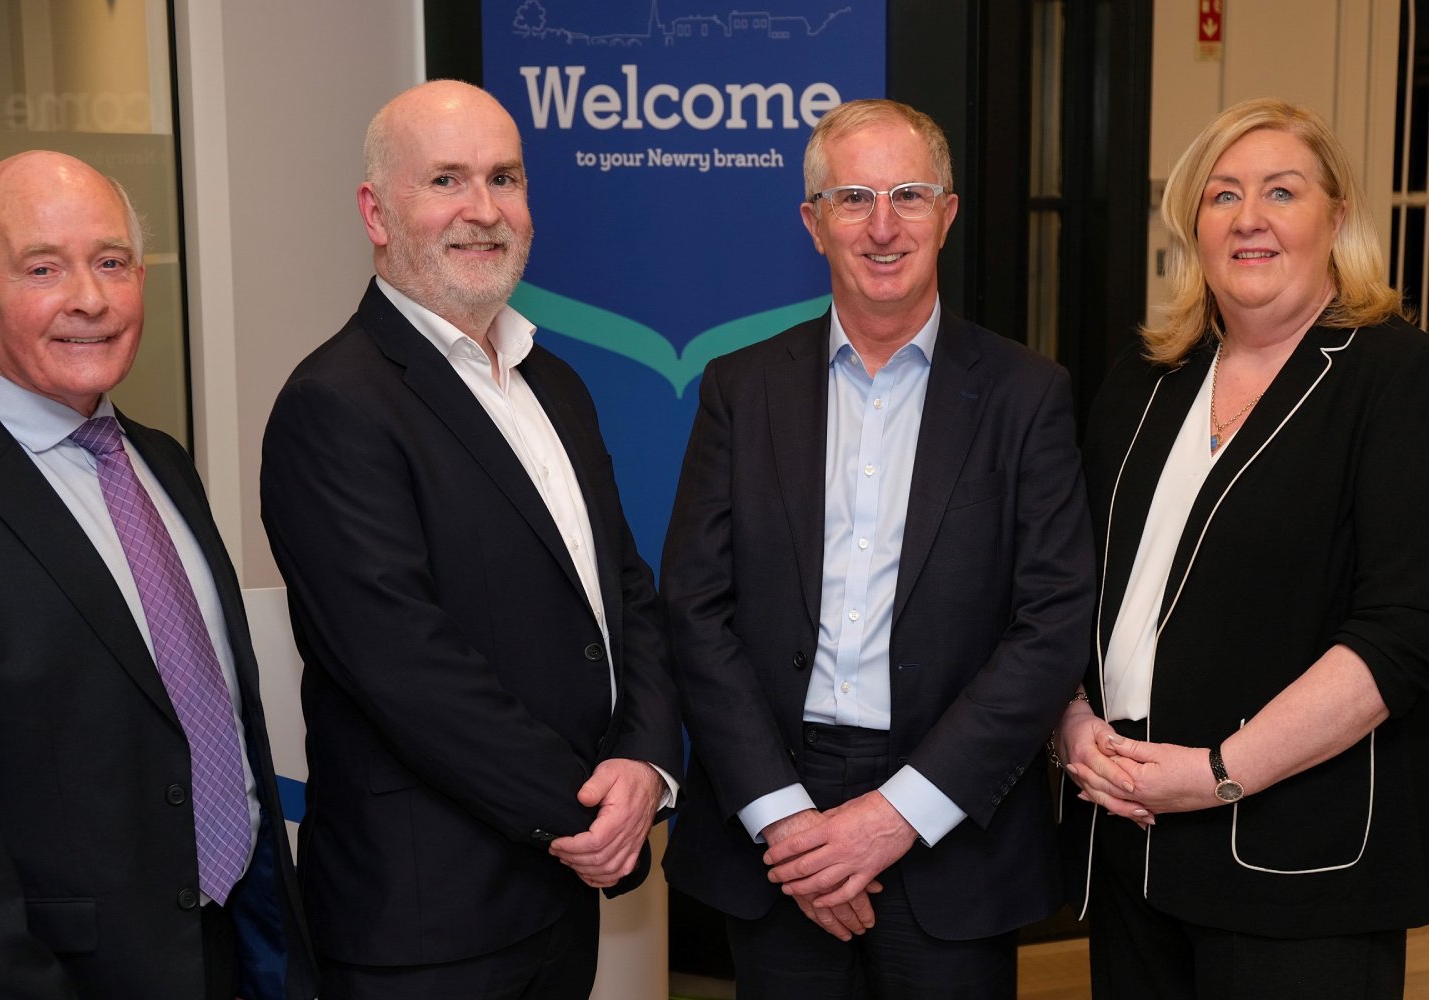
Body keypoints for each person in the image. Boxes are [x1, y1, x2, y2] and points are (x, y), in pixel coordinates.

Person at [661, 98, 1096, 999]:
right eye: (853, 197)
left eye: (909, 193)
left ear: (949, 212)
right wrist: (787, 823)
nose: (884, 225)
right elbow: (695, 607)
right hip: (775, 800)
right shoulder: (740, 388)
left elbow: (1052, 622)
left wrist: (898, 815)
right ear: (812, 223)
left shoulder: (1026, 394)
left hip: (952, 808)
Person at [259, 80, 682, 999]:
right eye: (446, 180)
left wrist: (646, 764)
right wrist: (587, 817)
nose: (484, 211)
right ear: (376, 211)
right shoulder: (333, 405)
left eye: (505, 178)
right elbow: (403, 665)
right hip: (425, 921)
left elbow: (624, 594)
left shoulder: (554, 383)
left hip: (553, 902)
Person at [1052, 97, 1429, 998]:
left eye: (1280, 192)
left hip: (1296, 861)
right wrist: (1067, 723)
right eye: (1222, 196)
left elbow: (1402, 633)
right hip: (1127, 833)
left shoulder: (1395, 376)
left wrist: (1217, 775)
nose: (1249, 218)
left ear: (1336, 218)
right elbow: (1068, 580)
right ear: (1194, 226)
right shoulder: (1146, 379)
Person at [0, 151, 314, 999]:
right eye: (42, 268)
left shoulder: (166, 465)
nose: (90, 299)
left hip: (243, 952)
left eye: (111, 263)